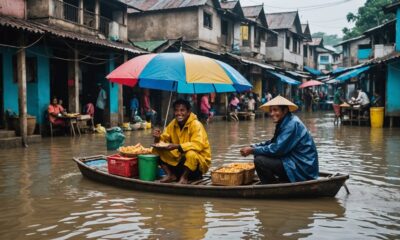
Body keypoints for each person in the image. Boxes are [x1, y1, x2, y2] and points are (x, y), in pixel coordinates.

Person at [239, 96, 319, 184]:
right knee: (259, 154)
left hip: (302, 168)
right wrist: (254, 147)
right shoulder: (286, 121)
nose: (272, 113)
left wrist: (253, 150)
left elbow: (276, 149)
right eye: (271, 110)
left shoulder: (291, 124)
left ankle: (271, 187)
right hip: (296, 163)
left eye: (275, 110)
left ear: (284, 111)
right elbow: (273, 142)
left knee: (259, 160)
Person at [152, 99, 211, 184]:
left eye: (182, 110)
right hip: (180, 159)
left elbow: (198, 144)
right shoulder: (173, 123)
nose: (179, 113)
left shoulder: (196, 125)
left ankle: (184, 177)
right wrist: (157, 138)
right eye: (176, 110)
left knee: (191, 154)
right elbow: (164, 139)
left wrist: (177, 146)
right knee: (156, 149)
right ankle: (170, 175)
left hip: (197, 164)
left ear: (188, 112)